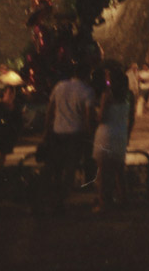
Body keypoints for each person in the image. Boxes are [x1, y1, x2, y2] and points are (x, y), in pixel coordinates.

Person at [43, 63, 97, 211]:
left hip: (57, 132)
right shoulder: (87, 91)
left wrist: (46, 131)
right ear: (87, 75)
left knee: (57, 167)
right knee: (70, 167)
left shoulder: (59, 86)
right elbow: (88, 117)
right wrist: (90, 134)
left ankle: (52, 198)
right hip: (75, 133)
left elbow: (50, 110)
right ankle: (61, 200)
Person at [92, 69, 132, 212]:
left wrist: (95, 115)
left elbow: (102, 117)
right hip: (121, 133)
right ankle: (124, 199)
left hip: (107, 133)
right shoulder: (128, 95)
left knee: (103, 172)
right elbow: (129, 117)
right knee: (119, 171)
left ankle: (103, 202)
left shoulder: (107, 95)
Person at [0, 84, 23, 168]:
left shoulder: (15, 107)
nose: (11, 96)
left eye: (13, 93)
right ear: (4, 93)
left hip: (8, 136)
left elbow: (18, 121)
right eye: (9, 93)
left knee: (2, 156)